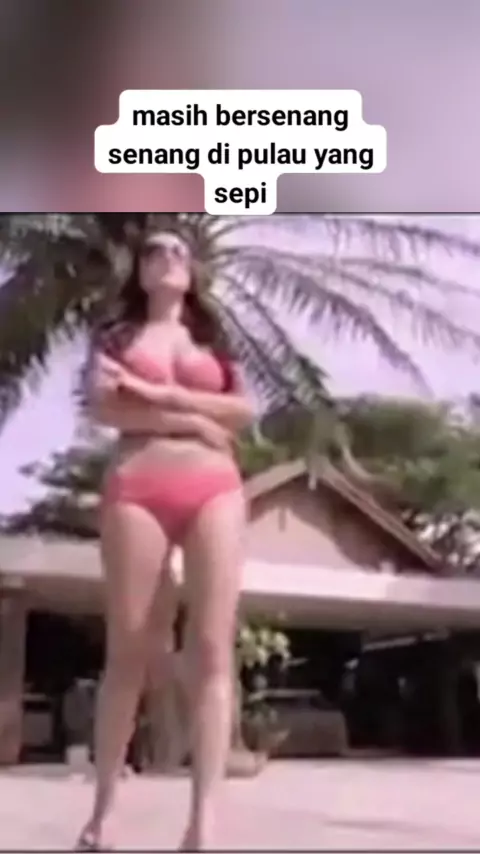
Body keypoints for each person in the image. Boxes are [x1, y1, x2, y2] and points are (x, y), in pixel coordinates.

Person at [75, 229, 254, 851]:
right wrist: (195, 419)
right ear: (140, 269)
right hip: (138, 484)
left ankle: (204, 823)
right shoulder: (116, 337)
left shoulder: (214, 340)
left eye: (179, 251)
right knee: (128, 648)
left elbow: (244, 412)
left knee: (212, 648)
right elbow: (103, 408)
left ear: (193, 270)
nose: (168, 258)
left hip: (215, 488)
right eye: (155, 250)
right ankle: (103, 813)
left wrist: (155, 394)